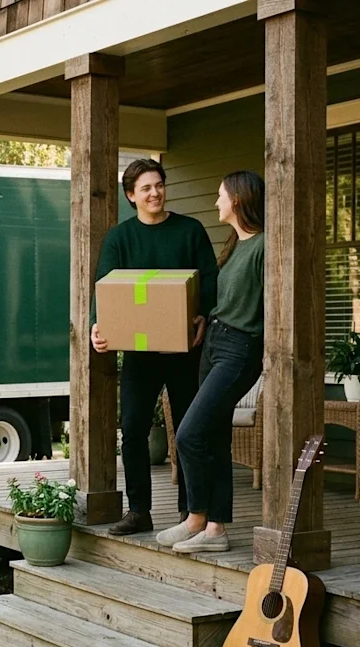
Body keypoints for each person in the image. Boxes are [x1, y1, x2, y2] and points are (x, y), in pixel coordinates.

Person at [91, 158, 219, 536]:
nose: (155, 193)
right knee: (132, 428)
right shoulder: (120, 238)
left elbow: (210, 282)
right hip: (139, 354)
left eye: (159, 185)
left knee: (189, 431)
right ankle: (139, 511)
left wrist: (203, 316)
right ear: (131, 195)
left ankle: (190, 511)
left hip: (185, 351)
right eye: (145, 188)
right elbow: (106, 290)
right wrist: (97, 327)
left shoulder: (190, 230)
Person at [157, 170, 266, 553]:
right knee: (216, 437)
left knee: (190, 434)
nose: (216, 202)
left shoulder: (266, 246)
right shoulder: (236, 243)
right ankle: (214, 529)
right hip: (214, 342)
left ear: (236, 200)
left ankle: (196, 517)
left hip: (240, 348)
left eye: (220, 196)